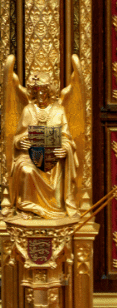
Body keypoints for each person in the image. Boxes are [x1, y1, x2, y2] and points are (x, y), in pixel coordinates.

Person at [8, 71, 79, 219]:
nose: (40, 94)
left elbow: (66, 138)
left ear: (49, 90)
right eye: (37, 90)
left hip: (53, 160)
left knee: (56, 167)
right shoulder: (28, 110)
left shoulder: (59, 110)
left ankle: (55, 206)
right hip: (30, 156)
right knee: (26, 169)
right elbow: (17, 137)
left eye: (43, 90)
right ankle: (27, 207)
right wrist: (21, 142)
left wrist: (65, 149)